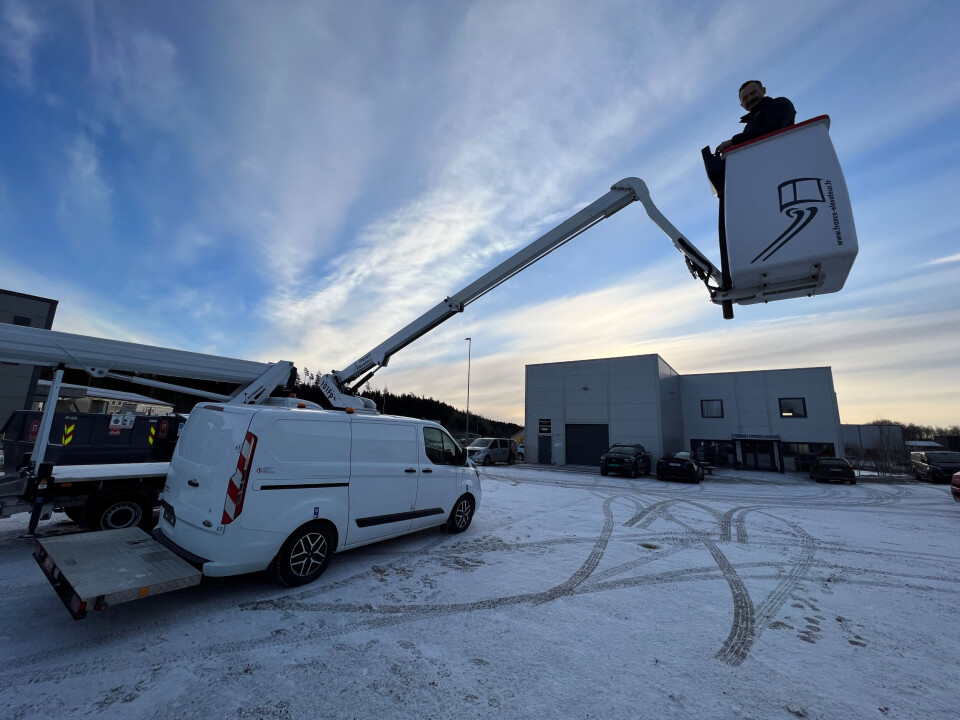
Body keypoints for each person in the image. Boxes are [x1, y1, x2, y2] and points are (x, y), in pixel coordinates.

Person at [715, 80, 795, 153]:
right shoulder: (748, 125)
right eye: (745, 98)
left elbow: (773, 130)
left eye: (753, 93)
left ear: (763, 90)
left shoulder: (780, 103)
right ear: (742, 105)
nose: (750, 99)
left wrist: (734, 141)